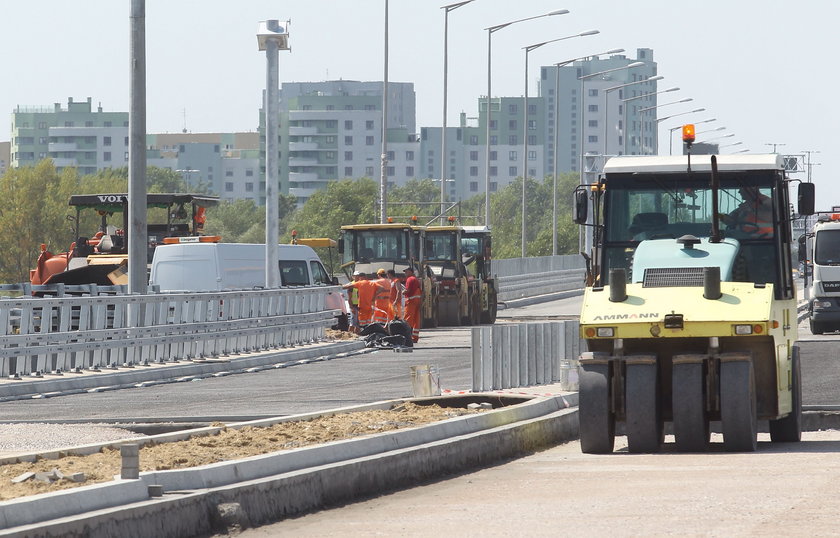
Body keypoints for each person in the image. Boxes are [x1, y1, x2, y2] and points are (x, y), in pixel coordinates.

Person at [403, 267, 421, 343]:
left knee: (408, 319)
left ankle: (407, 336)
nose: (405, 273)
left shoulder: (410, 279)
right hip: (417, 301)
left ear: (410, 272)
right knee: (416, 320)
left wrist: (403, 292)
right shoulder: (416, 279)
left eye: (406, 272)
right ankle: (414, 337)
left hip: (411, 301)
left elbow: (408, 290)